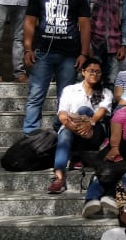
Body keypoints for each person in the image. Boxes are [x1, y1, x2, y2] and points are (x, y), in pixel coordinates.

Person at [22, 0, 92, 135]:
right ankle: (30, 134)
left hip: (69, 55)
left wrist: (84, 53)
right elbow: (30, 21)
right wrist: (28, 48)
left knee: (65, 97)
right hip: (42, 53)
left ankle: (60, 131)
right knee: (36, 95)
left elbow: (85, 26)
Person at [47, 58, 112, 194]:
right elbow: (62, 114)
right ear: (83, 72)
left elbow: (102, 111)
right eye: (91, 71)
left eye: (98, 72)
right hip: (72, 131)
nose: (94, 74)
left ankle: (74, 158)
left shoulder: (106, 92)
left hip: (95, 133)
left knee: (84, 110)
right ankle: (59, 178)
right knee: (65, 132)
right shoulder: (70, 90)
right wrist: (72, 127)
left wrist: (90, 122)